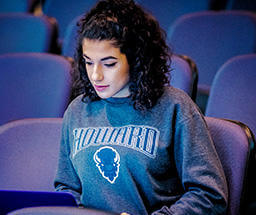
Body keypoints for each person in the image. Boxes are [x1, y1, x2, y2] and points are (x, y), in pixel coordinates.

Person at [54, 0, 228, 214]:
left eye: (109, 63)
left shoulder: (174, 107)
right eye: (88, 62)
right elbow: (67, 188)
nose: (96, 75)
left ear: (137, 60)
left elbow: (209, 195)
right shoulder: (77, 111)